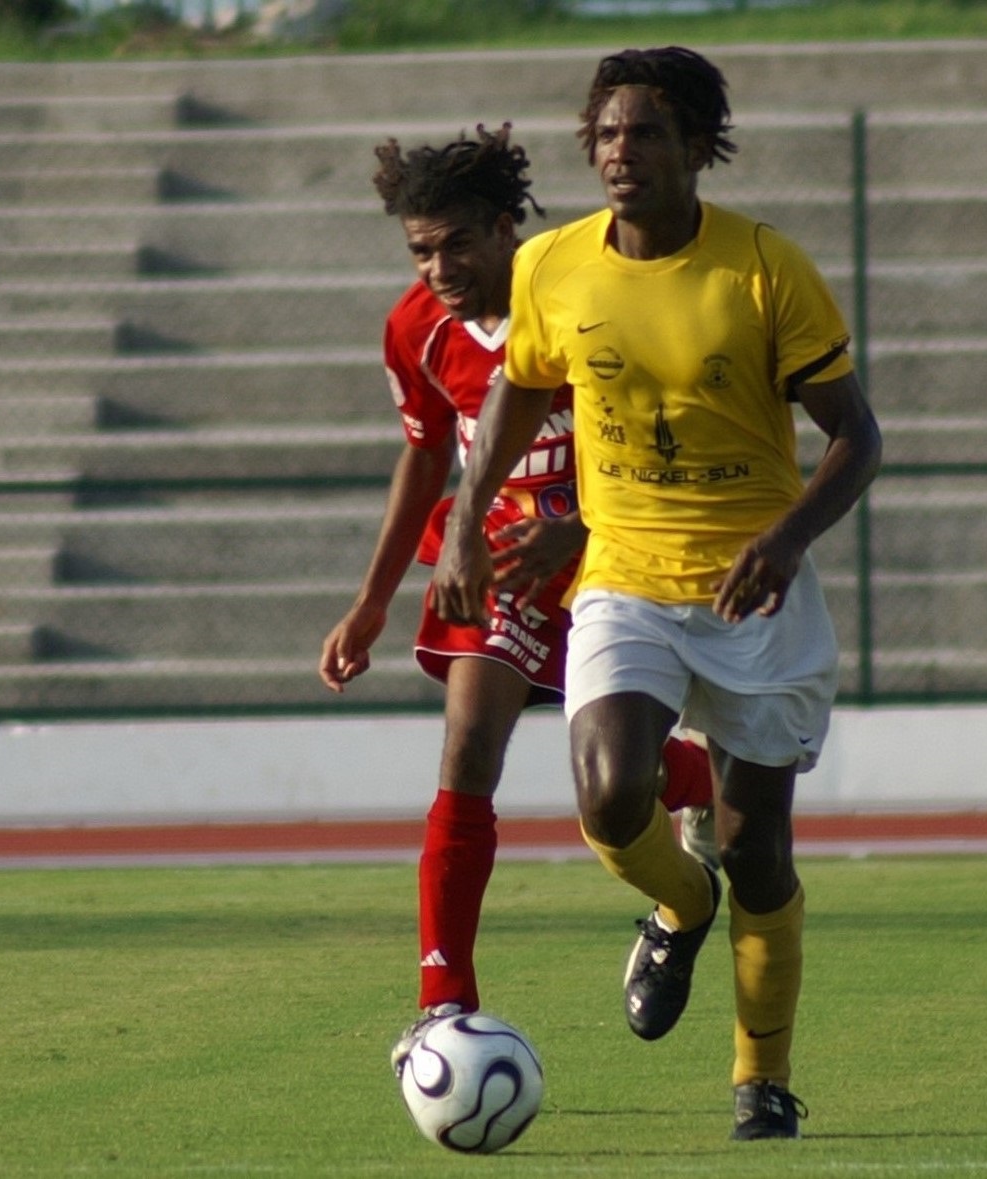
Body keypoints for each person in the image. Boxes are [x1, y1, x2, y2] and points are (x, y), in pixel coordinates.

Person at [429, 47, 882, 1141]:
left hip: (753, 596)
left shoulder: (766, 270)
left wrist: (784, 537)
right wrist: (466, 521)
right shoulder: (552, 267)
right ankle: (681, 902)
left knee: (761, 846)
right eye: (605, 135)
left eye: (644, 134)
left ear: (694, 147)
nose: (619, 153)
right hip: (624, 576)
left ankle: (760, 1080)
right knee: (609, 791)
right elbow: (517, 395)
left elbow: (856, 440)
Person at [317, 124, 717, 1069]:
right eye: (421, 249)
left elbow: (664, 432)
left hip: (610, 558)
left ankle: (696, 783)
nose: (439, 267)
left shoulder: (580, 296)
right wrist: (373, 598)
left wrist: (580, 527)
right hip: (488, 563)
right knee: (466, 749)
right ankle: (441, 1000)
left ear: (507, 229)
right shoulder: (415, 326)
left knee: (620, 777)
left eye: (457, 243)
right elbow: (422, 457)